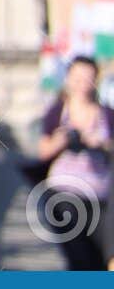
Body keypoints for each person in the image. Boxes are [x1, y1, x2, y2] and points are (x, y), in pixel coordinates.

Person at [37, 55, 114, 270]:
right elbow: (42, 152)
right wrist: (61, 140)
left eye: (88, 78)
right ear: (69, 79)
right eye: (77, 78)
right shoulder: (57, 112)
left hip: (101, 197)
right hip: (64, 193)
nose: (82, 84)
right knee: (78, 258)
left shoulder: (107, 114)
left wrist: (101, 144)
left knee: (101, 259)